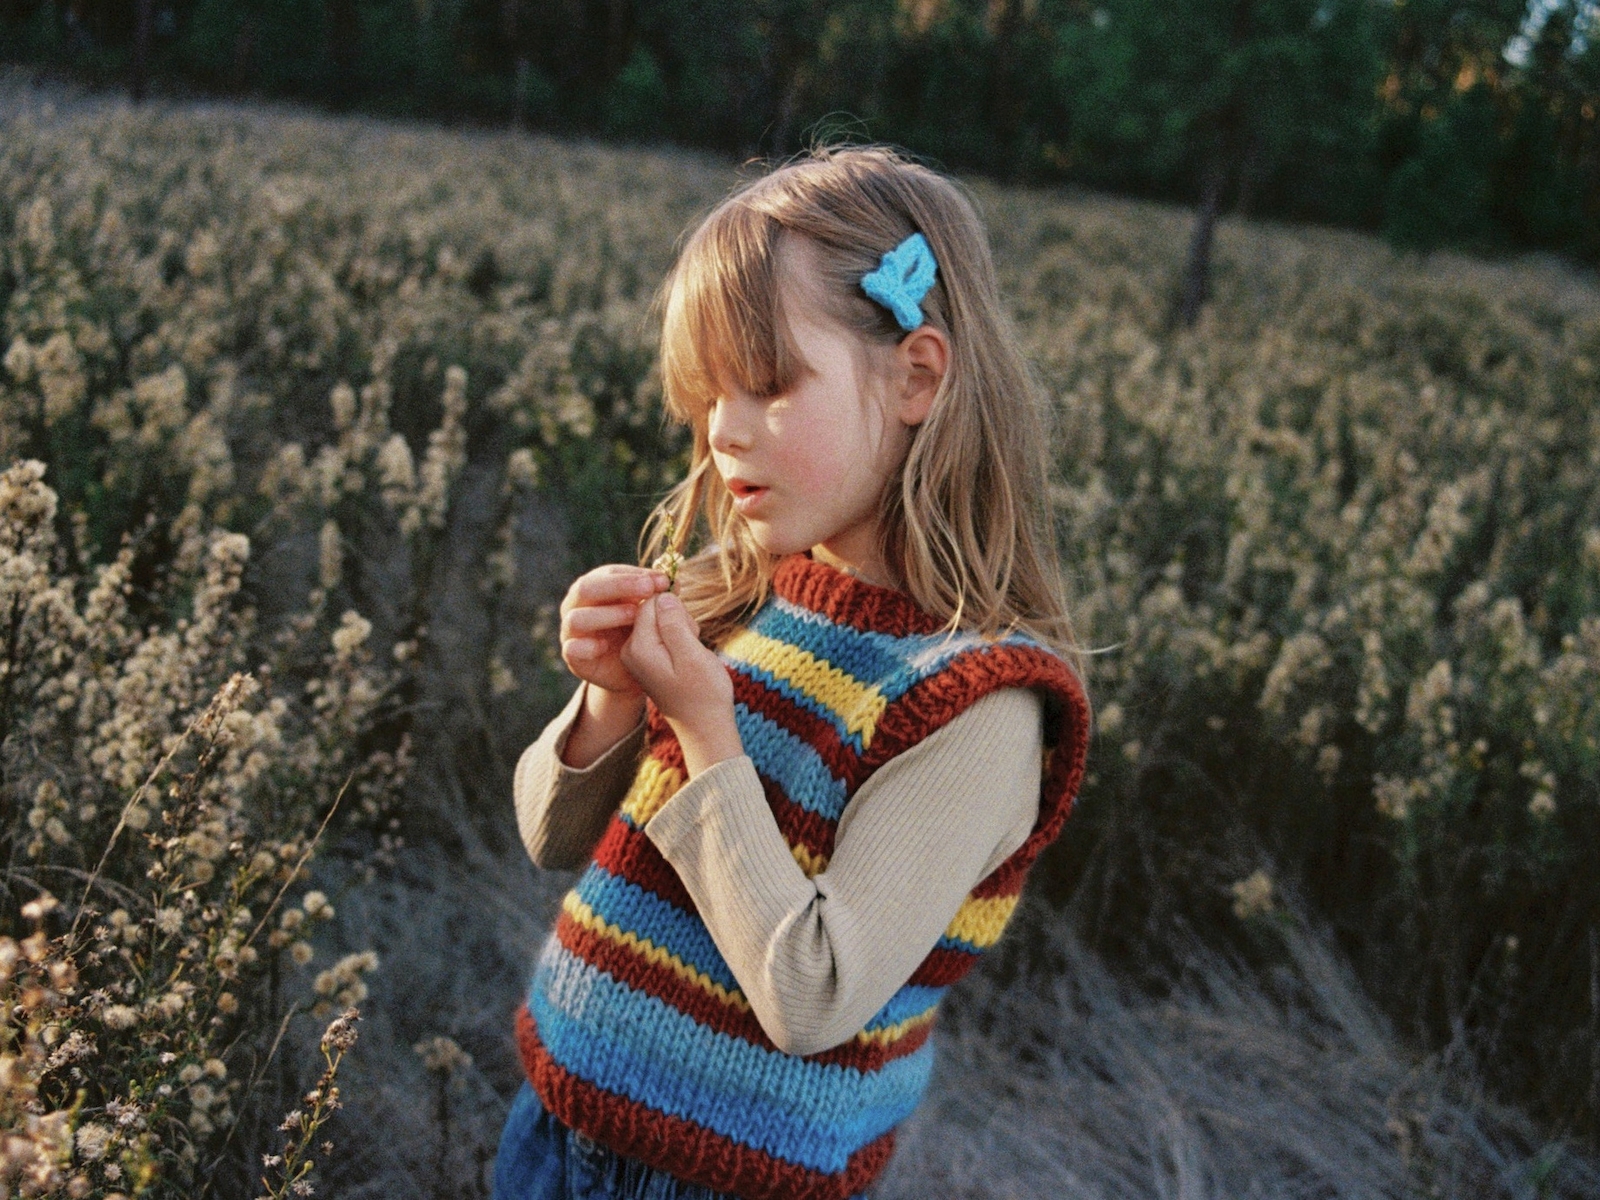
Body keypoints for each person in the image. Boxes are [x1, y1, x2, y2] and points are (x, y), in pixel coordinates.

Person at [494, 144, 1091, 1200]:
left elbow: (812, 994)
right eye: (707, 394)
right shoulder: (743, 594)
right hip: (555, 1127)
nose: (723, 432)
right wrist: (609, 700)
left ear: (916, 377)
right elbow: (551, 835)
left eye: (767, 386)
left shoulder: (976, 702)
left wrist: (704, 731)